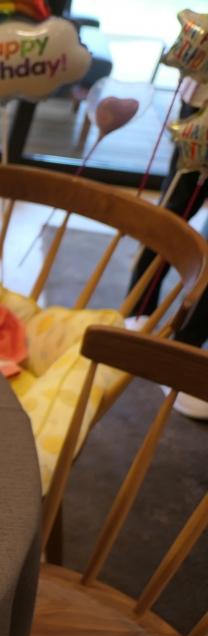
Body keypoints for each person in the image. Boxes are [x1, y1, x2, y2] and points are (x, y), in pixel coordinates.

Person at [127, 81, 208, 419]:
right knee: (173, 211)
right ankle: (139, 309)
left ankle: (188, 350)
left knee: (174, 210)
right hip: (203, 104)